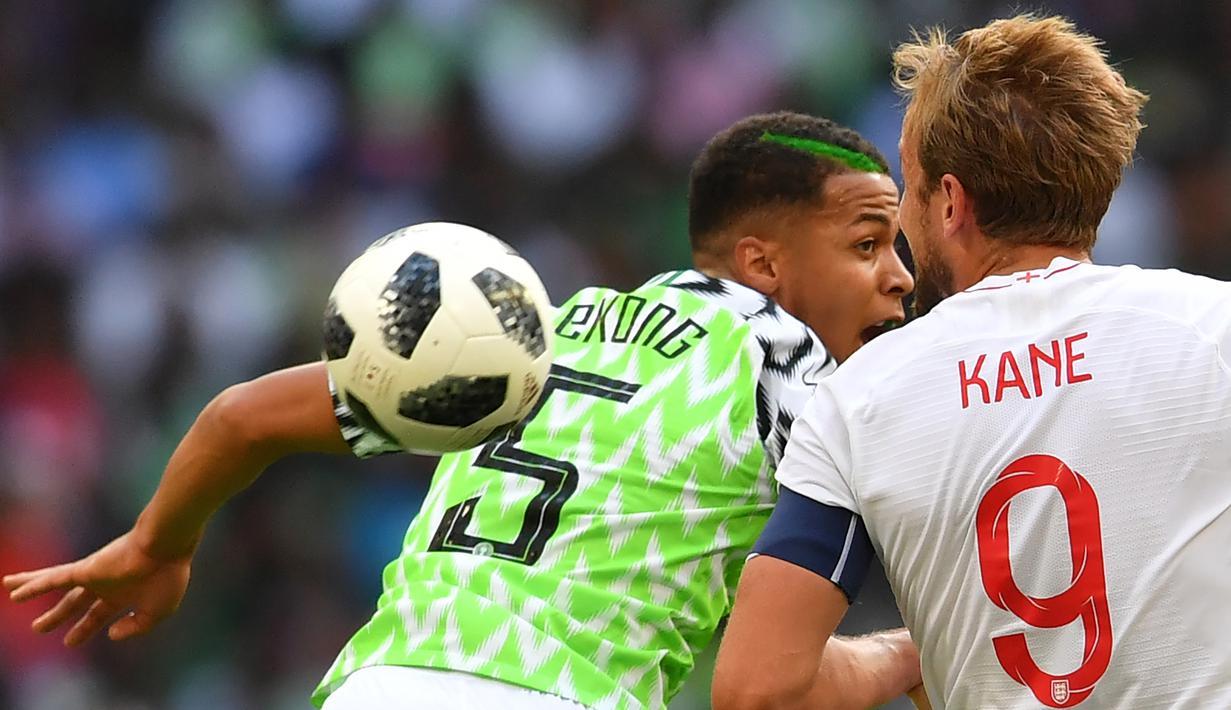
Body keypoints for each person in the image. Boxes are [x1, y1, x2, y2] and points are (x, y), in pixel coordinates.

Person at [4, 112, 920, 709]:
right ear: (762, 265)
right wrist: (909, 654)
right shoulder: (799, 376)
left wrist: (158, 545)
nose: (899, 276)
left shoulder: (537, 333)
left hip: (371, 687)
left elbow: (240, 417)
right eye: (867, 243)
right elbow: (763, 692)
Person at [714, 14, 1231, 710]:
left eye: (911, 186)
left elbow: (757, 689)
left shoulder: (860, 397)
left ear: (951, 203)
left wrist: (906, 651)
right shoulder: (1211, 329)